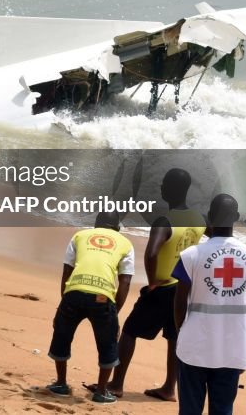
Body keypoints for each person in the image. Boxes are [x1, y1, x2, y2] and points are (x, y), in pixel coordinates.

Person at [98, 168, 207, 401]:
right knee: (174, 336)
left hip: (164, 286)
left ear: (171, 189)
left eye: (164, 184)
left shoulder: (164, 221)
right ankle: (169, 388)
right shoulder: (199, 220)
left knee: (129, 330)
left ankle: (116, 384)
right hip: (186, 287)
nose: (161, 187)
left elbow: (151, 253)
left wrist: (152, 282)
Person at [173, 194, 246, 415]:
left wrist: (181, 333)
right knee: (223, 409)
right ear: (236, 217)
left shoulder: (190, 255)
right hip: (232, 348)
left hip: (194, 345)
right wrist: (245, 344)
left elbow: (179, 303)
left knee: (189, 409)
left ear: (210, 218)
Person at [47, 212, 135, 404]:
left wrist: (65, 302)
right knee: (108, 343)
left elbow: (67, 270)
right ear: (117, 228)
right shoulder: (125, 243)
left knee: (62, 335)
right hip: (102, 297)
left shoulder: (80, 236)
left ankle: (61, 384)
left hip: (74, 292)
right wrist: (115, 312)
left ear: (96, 225)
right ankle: (101, 391)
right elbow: (125, 281)